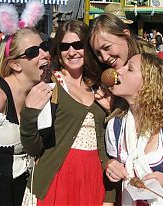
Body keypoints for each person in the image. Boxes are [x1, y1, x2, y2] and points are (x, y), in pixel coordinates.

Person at [20, 19, 115, 206]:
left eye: (78, 45)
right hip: (57, 178)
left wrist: (109, 196)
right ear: (58, 51)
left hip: (93, 180)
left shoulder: (99, 86)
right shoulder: (50, 83)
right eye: (65, 47)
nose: (71, 52)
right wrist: (29, 115)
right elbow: (33, 147)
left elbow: (107, 144)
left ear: (87, 48)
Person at [104, 53, 163, 205]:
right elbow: (114, 161)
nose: (119, 71)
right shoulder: (115, 125)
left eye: (129, 69)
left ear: (148, 83)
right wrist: (112, 166)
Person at [0, 1, 48, 205]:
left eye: (44, 47)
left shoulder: (43, 90)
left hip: (25, 194)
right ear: (15, 64)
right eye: (33, 52)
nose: (44, 54)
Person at [87, 13, 163, 105]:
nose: (104, 57)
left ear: (126, 35)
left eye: (107, 47)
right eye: (98, 53)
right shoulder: (106, 81)